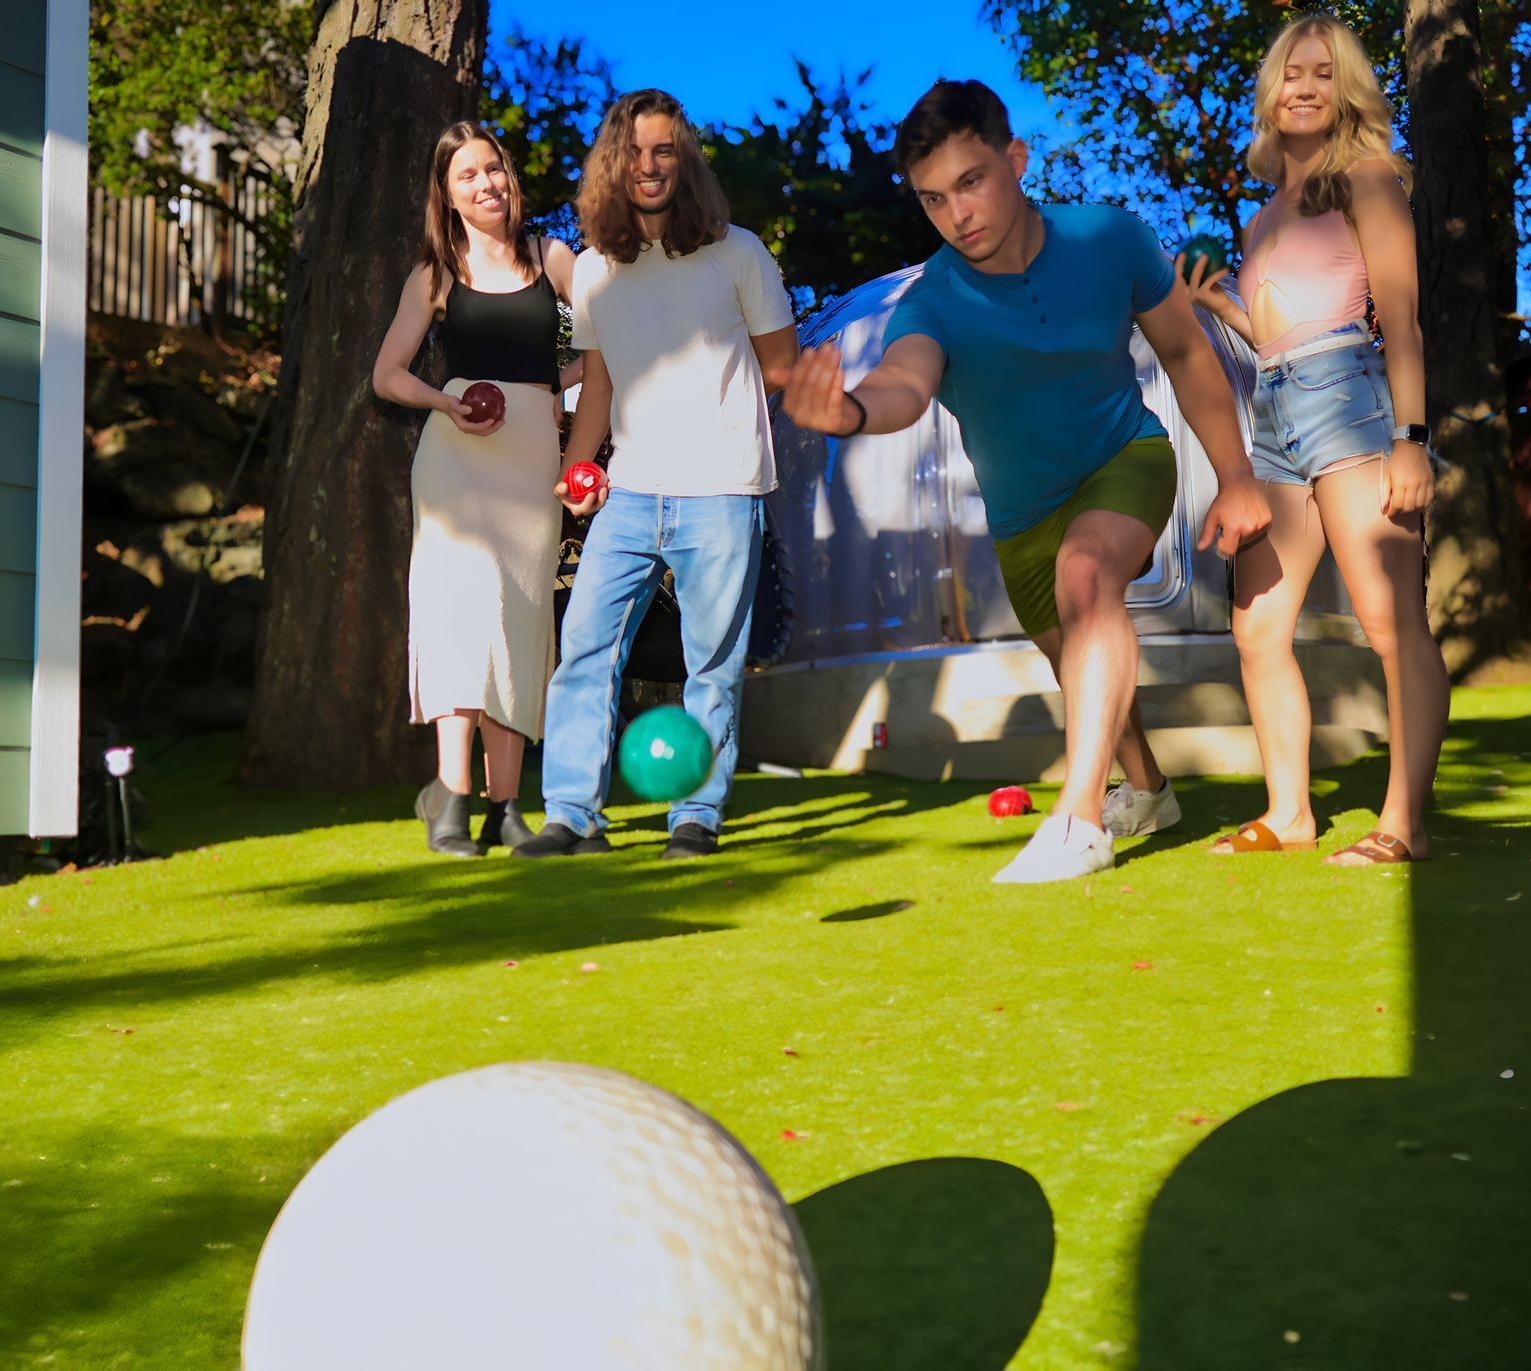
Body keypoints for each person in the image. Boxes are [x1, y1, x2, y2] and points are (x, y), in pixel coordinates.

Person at [783, 79, 1271, 884]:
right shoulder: (933, 296)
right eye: (934, 199)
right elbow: (904, 382)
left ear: (1015, 158)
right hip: (1021, 518)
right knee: (1080, 652)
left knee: (1089, 576)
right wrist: (850, 413)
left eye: (970, 182)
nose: (957, 214)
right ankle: (1147, 787)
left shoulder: (1109, 238)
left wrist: (1237, 476)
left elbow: (1186, 354)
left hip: (1125, 457)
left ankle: (1079, 819)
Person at [1179, 14, 1447, 866]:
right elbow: (1277, 338)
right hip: (1276, 412)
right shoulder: (1261, 221)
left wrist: (1412, 440)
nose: (1303, 87)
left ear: (1348, 92)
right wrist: (1225, 311)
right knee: (1258, 627)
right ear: (1270, 88)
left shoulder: (1368, 180)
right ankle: (1289, 812)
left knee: (1389, 621)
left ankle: (1403, 822)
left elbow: (1398, 319)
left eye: (1324, 74)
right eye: (1291, 73)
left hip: (1354, 405)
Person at [513, 89, 798, 860]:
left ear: (685, 159)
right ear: (613, 161)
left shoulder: (739, 252)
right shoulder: (596, 273)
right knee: (583, 647)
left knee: (712, 663)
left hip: (724, 489)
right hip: (631, 491)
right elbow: (597, 385)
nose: (649, 165)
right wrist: (577, 474)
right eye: (634, 152)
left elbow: (782, 369)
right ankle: (570, 814)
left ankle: (695, 817)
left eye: (664, 150)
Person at [372, 121, 580, 857]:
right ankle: (452, 797)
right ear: (448, 195)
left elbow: (598, 352)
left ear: (508, 177)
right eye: (468, 175)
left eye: (493, 168)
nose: (486, 183)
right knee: (463, 619)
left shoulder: (554, 258)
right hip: (455, 460)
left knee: (520, 622)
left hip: (531, 464)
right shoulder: (434, 274)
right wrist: (445, 401)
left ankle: (507, 805)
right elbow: (387, 374)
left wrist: (556, 389)